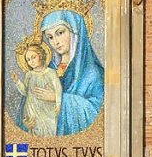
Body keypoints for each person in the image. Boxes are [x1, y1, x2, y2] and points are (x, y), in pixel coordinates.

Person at [35, 8, 104, 136]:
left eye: (60, 33)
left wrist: (58, 98)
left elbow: (98, 115)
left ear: (75, 33)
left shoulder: (93, 74)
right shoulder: (47, 70)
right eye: (50, 37)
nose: (55, 42)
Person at [11, 42, 62, 137]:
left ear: (40, 55)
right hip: (33, 111)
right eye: (28, 60)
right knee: (36, 133)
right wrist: (17, 81)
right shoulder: (29, 75)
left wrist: (58, 104)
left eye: (33, 57)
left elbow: (58, 89)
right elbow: (25, 92)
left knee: (50, 131)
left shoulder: (51, 73)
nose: (31, 61)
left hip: (47, 110)